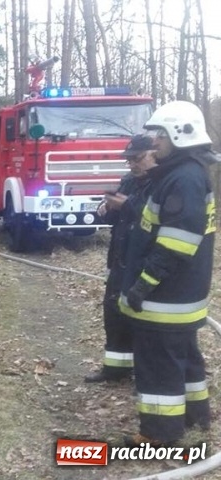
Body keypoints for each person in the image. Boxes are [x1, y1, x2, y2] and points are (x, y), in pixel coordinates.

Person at [119, 101, 218, 446]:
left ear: (178, 134)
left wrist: (143, 284)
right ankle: (195, 415)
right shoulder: (180, 174)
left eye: (158, 135)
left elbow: (176, 244)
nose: (153, 142)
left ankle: (159, 433)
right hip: (180, 295)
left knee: (159, 366)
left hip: (165, 296)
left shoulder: (184, 179)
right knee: (183, 356)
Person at [85, 135, 155, 383]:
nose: (133, 165)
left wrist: (126, 206)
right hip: (120, 258)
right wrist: (106, 210)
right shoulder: (129, 181)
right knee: (113, 313)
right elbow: (119, 216)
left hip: (144, 262)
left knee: (142, 321)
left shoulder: (162, 183)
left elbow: (154, 220)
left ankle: (145, 375)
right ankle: (115, 369)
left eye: (138, 158)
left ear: (153, 154)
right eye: (129, 160)